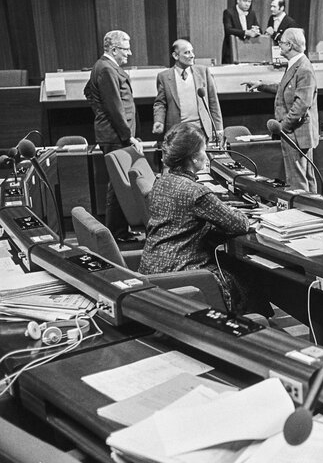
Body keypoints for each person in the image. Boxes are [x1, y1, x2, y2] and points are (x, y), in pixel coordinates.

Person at [138, 123, 272, 316]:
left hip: (152, 267)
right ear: (193, 158)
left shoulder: (161, 181)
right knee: (246, 275)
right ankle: (256, 330)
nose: (206, 154)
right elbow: (240, 223)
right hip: (181, 270)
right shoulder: (195, 191)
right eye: (203, 150)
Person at [83, 30, 143, 242]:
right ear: (114, 49)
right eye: (126, 49)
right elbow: (114, 107)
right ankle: (117, 234)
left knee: (118, 182)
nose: (130, 52)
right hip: (116, 136)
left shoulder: (103, 67)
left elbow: (88, 92)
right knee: (118, 183)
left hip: (113, 133)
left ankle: (118, 231)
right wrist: (128, 137)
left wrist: (99, 112)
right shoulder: (107, 69)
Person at [244, 28, 319, 192]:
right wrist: (262, 85)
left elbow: (301, 104)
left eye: (282, 42)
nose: (279, 45)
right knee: (305, 177)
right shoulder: (296, 64)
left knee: (298, 181)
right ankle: (311, 210)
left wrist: (283, 127)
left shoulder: (304, 68)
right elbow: (287, 89)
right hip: (296, 132)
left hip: (296, 133)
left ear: (290, 45)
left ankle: (303, 214)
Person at [153, 39, 223, 143]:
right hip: (178, 132)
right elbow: (160, 103)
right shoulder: (163, 77)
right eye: (187, 52)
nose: (192, 55)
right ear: (175, 56)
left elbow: (213, 102)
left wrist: (218, 128)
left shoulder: (203, 72)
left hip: (202, 130)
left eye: (192, 51)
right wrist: (159, 120)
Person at [222, 0, 260, 64]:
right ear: (238, 0)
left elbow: (259, 28)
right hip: (231, 50)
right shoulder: (229, 12)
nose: (247, 4)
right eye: (245, 1)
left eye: (249, 2)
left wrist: (256, 30)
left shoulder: (252, 13)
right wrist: (246, 32)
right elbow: (228, 30)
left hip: (247, 51)